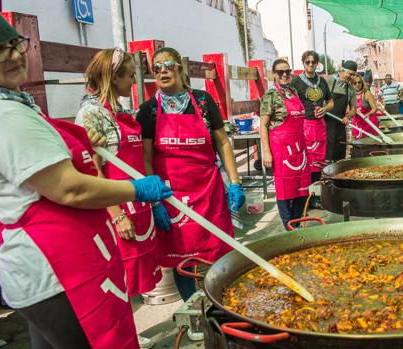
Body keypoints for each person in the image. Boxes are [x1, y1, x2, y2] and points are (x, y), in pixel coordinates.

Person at [0, 10, 172, 349]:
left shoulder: (17, 104)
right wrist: (137, 190)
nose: (15, 55)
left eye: (15, 44)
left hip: (66, 262)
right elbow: (69, 188)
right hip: (52, 270)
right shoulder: (5, 116)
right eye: (0, 50)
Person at [75, 48, 169, 348]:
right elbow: (94, 171)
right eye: (129, 76)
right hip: (117, 206)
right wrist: (117, 214)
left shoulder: (121, 109)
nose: (132, 83)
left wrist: (152, 203)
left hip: (137, 202)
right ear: (113, 77)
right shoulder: (90, 114)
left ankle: (129, 333)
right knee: (118, 277)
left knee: (134, 277)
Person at [136, 47, 244, 301]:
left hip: (209, 193)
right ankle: (192, 308)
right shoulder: (148, 110)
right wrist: (154, 202)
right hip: (173, 198)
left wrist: (236, 182)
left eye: (168, 64)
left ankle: (223, 303)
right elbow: (146, 159)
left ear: (180, 68)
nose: (163, 71)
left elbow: (223, 143)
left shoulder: (204, 101)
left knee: (219, 250)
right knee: (182, 257)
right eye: (157, 67)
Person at [259, 59, 310, 228]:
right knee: (285, 189)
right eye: (280, 72)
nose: (285, 75)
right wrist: (266, 152)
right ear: (274, 75)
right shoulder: (271, 95)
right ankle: (289, 226)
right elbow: (263, 125)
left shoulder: (293, 90)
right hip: (281, 149)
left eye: (287, 71)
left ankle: (297, 220)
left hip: (299, 148)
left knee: (301, 187)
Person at [290, 50, 334, 183]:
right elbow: (291, 103)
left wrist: (324, 109)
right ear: (303, 63)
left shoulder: (322, 82)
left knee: (319, 159)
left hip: (320, 125)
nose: (310, 64)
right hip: (304, 125)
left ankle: (316, 189)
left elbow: (331, 102)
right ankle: (306, 191)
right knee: (306, 159)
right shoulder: (296, 82)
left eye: (313, 62)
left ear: (317, 64)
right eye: (307, 62)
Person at [324, 61, 357, 161]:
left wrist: (348, 117)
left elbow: (354, 109)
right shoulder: (328, 82)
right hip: (326, 124)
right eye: (350, 74)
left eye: (353, 75)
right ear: (342, 71)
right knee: (326, 153)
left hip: (340, 125)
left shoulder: (351, 89)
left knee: (339, 154)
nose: (351, 77)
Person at [351, 74, 378, 139]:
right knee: (358, 144)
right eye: (355, 83)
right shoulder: (351, 95)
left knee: (371, 143)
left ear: (362, 83)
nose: (357, 84)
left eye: (359, 82)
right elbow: (349, 110)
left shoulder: (367, 94)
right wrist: (353, 112)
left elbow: (374, 109)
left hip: (369, 123)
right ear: (352, 84)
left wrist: (368, 114)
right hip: (357, 124)